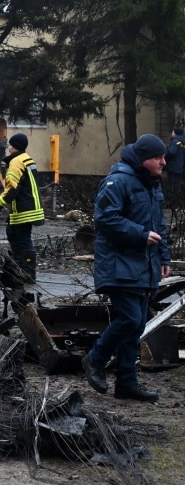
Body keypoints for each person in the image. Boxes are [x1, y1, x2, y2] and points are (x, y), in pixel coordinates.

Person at [82, 134, 170, 403]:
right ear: (144, 159)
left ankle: (127, 383)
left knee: (137, 325)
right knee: (130, 319)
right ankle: (95, 359)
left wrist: (164, 256)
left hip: (144, 265)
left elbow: (159, 226)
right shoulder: (117, 181)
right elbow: (105, 219)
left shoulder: (152, 184)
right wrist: (140, 235)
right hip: (119, 265)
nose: (164, 163)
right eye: (159, 157)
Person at [0, 133, 44, 283]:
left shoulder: (16, 162)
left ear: (15, 146)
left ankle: (26, 273)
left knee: (22, 238)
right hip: (29, 206)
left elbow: (12, 188)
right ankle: (19, 268)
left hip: (24, 208)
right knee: (13, 234)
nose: (8, 148)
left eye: (10, 145)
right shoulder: (27, 159)